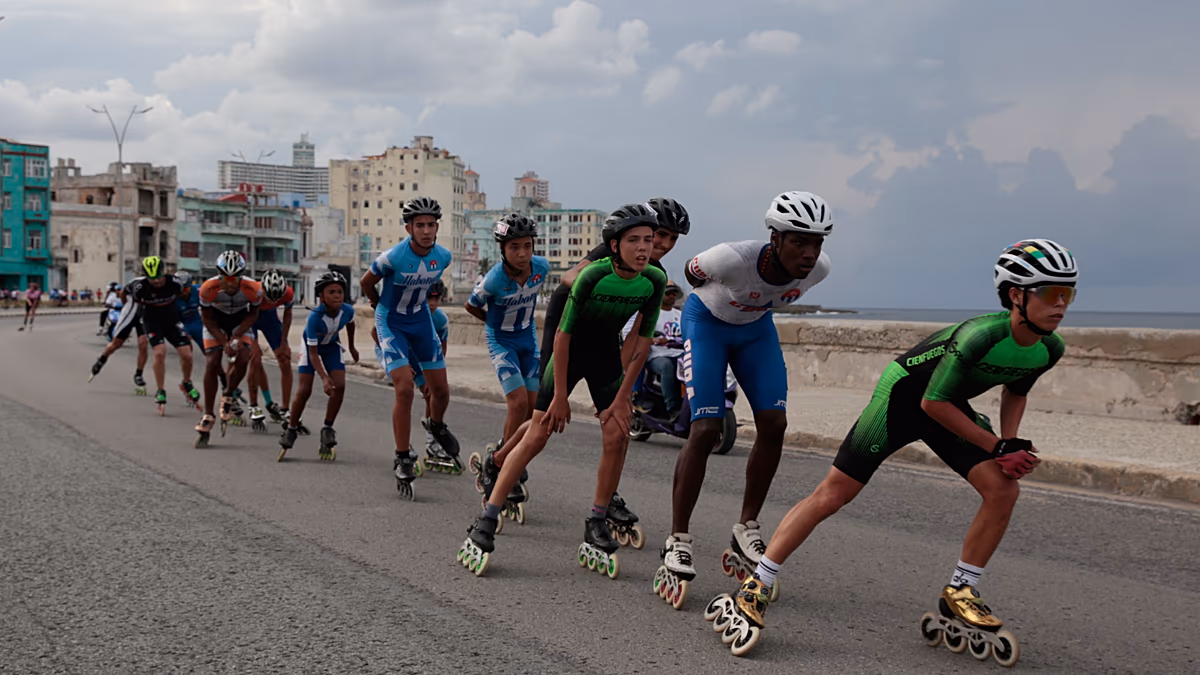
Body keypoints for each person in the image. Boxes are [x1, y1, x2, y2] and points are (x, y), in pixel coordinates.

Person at [705, 240, 1075, 662]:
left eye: (1069, 294)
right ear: (1016, 296)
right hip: (903, 398)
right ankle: (759, 582)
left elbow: (1015, 391)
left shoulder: (1049, 347)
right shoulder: (980, 335)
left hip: (948, 406)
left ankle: (960, 590)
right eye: (1051, 293)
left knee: (1003, 489)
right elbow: (930, 404)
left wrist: (1010, 446)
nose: (1061, 304)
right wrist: (997, 445)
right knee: (834, 494)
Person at [457, 204, 666, 577]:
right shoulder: (591, 276)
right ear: (614, 245)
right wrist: (558, 398)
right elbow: (563, 336)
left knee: (618, 434)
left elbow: (639, 341)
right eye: (634, 240)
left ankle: (597, 519)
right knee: (539, 431)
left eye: (649, 240)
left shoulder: (653, 280)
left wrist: (622, 398)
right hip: (567, 347)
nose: (644, 248)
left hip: (604, 352)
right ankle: (486, 517)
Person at [657, 191, 834, 609]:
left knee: (775, 424)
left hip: (756, 331)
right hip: (708, 325)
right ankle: (678, 538)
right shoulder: (730, 259)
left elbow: (769, 299)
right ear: (774, 238)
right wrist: (722, 303)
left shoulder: (819, 271)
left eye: (817, 243)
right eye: (799, 242)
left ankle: (746, 528)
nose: (809, 253)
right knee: (705, 429)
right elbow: (690, 273)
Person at [486, 198, 691, 529]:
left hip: (604, 340)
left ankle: (605, 497)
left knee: (615, 429)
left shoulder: (654, 275)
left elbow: (640, 334)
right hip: (567, 325)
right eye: (661, 235)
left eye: (669, 240)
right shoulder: (608, 254)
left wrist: (618, 387)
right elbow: (569, 278)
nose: (662, 246)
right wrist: (598, 282)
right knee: (546, 417)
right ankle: (498, 462)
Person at [360, 196, 459, 498]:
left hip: (420, 323)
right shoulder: (392, 257)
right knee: (404, 388)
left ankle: (436, 425)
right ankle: (403, 456)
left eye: (431, 225)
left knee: (441, 391)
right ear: (409, 228)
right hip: (392, 322)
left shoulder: (442, 257)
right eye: (420, 226)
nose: (426, 230)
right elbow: (367, 282)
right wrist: (379, 307)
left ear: (437, 226)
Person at [464, 214, 550, 451]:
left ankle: (508, 451)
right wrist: (491, 323)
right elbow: (470, 306)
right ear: (502, 248)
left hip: (527, 338)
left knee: (533, 408)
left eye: (527, 246)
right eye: (514, 247)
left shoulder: (541, 267)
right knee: (518, 402)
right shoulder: (492, 280)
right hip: (502, 342)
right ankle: (502, 460)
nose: (522, 253)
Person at [278, 271, 358, 461]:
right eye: (331, 292)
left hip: (331, 346)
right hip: (311, 348)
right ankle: (291, 428)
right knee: (305, 389)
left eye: (340, 291)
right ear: (321, 296)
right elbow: (313, 354)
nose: (337, 295)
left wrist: (353, 347)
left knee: (340, 385)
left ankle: (328, 428)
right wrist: (324, 378)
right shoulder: (314, 319)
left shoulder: (348, 310)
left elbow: (351, 325)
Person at [106, 258, 197, 413]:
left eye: (159, 278)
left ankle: (187, 382)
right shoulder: (140, 287)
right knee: (160, 352)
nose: (157, 282)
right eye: (152, 279)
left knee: (187, 354)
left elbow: (185, 295)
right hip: (151, 321)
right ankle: (160, 390)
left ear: (164, 273)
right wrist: (126, 309)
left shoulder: (174, 282)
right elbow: (124, 293)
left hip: (171, 320)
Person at [194, 251, 263, 447]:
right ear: (219, 275)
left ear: (241, 276)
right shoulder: (208, 288)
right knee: (212, 363)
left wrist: (236, 335)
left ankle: (229, 394)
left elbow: (253, 315)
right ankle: (208, 414)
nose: (230, 284)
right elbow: (207, 319)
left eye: (235, 279)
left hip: (240, 322)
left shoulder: (253, 289)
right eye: (226, 278)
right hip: (215, 322)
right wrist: (224, 341)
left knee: (244, 357)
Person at [623, 279, 684, 418]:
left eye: (674, 294)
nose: (672, 296)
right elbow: (636, 335)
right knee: (667, 366)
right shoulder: (650, 314)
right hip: (657, 355)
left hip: (679, 354)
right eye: (668, 293)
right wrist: (655, 340)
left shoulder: (681, 316)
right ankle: (672, 408)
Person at [246, 268, 295, 430]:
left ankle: (285, 409)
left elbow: (287, 317)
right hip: (250, 318)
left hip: (270, 320)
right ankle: (253, 405)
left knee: (285, 360)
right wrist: (252, 344)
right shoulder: (252, 291)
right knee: (255, 359)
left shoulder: (288, 293)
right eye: (270, 298)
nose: (274, 301)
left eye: (277, 299)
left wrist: (283, 344)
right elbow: (242, 316)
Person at [89, 282, 152, 395]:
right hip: (129, 314)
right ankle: (102, 359)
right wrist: (126, 306)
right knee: (116, 344)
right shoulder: (137, 283)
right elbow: (123, 293)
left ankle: (139, 374)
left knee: (143, 344)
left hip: (143, 316)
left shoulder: (160, 285)